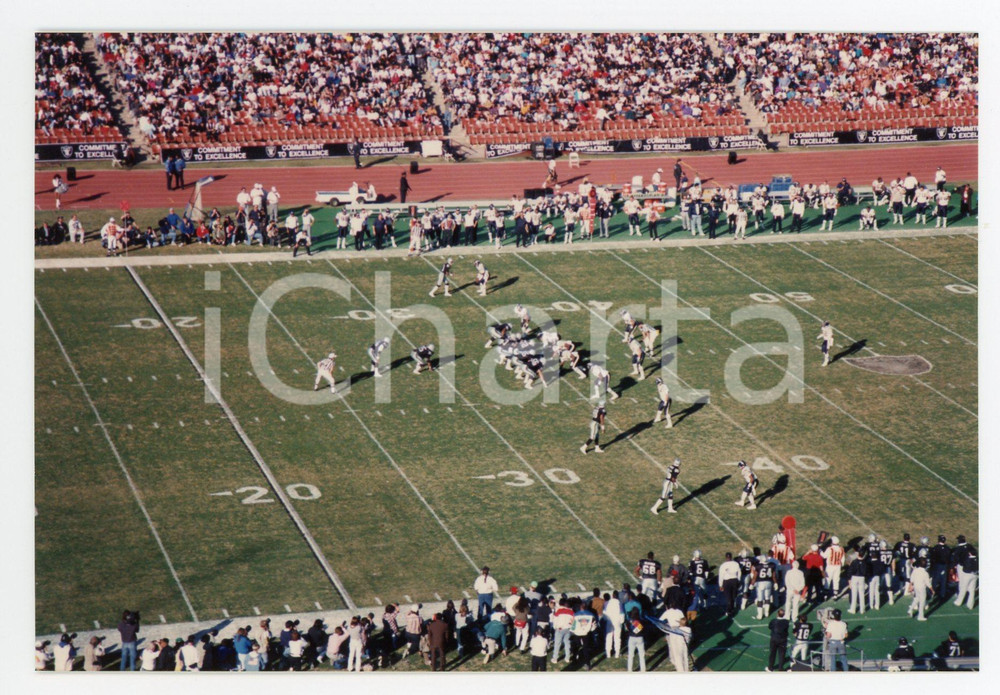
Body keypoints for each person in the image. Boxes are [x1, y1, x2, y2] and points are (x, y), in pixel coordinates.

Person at [719, 552, 743, 618]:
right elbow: (739, 573)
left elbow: (721, 575)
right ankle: (731, 609)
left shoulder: (723, 565)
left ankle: (729, 610)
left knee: (729, 597)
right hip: (734, 580)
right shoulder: (735, 564)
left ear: (726, 557)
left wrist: (720, 585)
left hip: (727, 581)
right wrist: (738, 580)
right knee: (733, 596)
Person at [625, 607, 646, 671]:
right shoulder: (641, 620)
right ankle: (643, 670)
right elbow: (643, 629)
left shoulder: (629, 620)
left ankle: (630, 670)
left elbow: (627, 629)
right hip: (640, 637)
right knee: (642, 655)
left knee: (630, 655)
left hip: (632, 637)